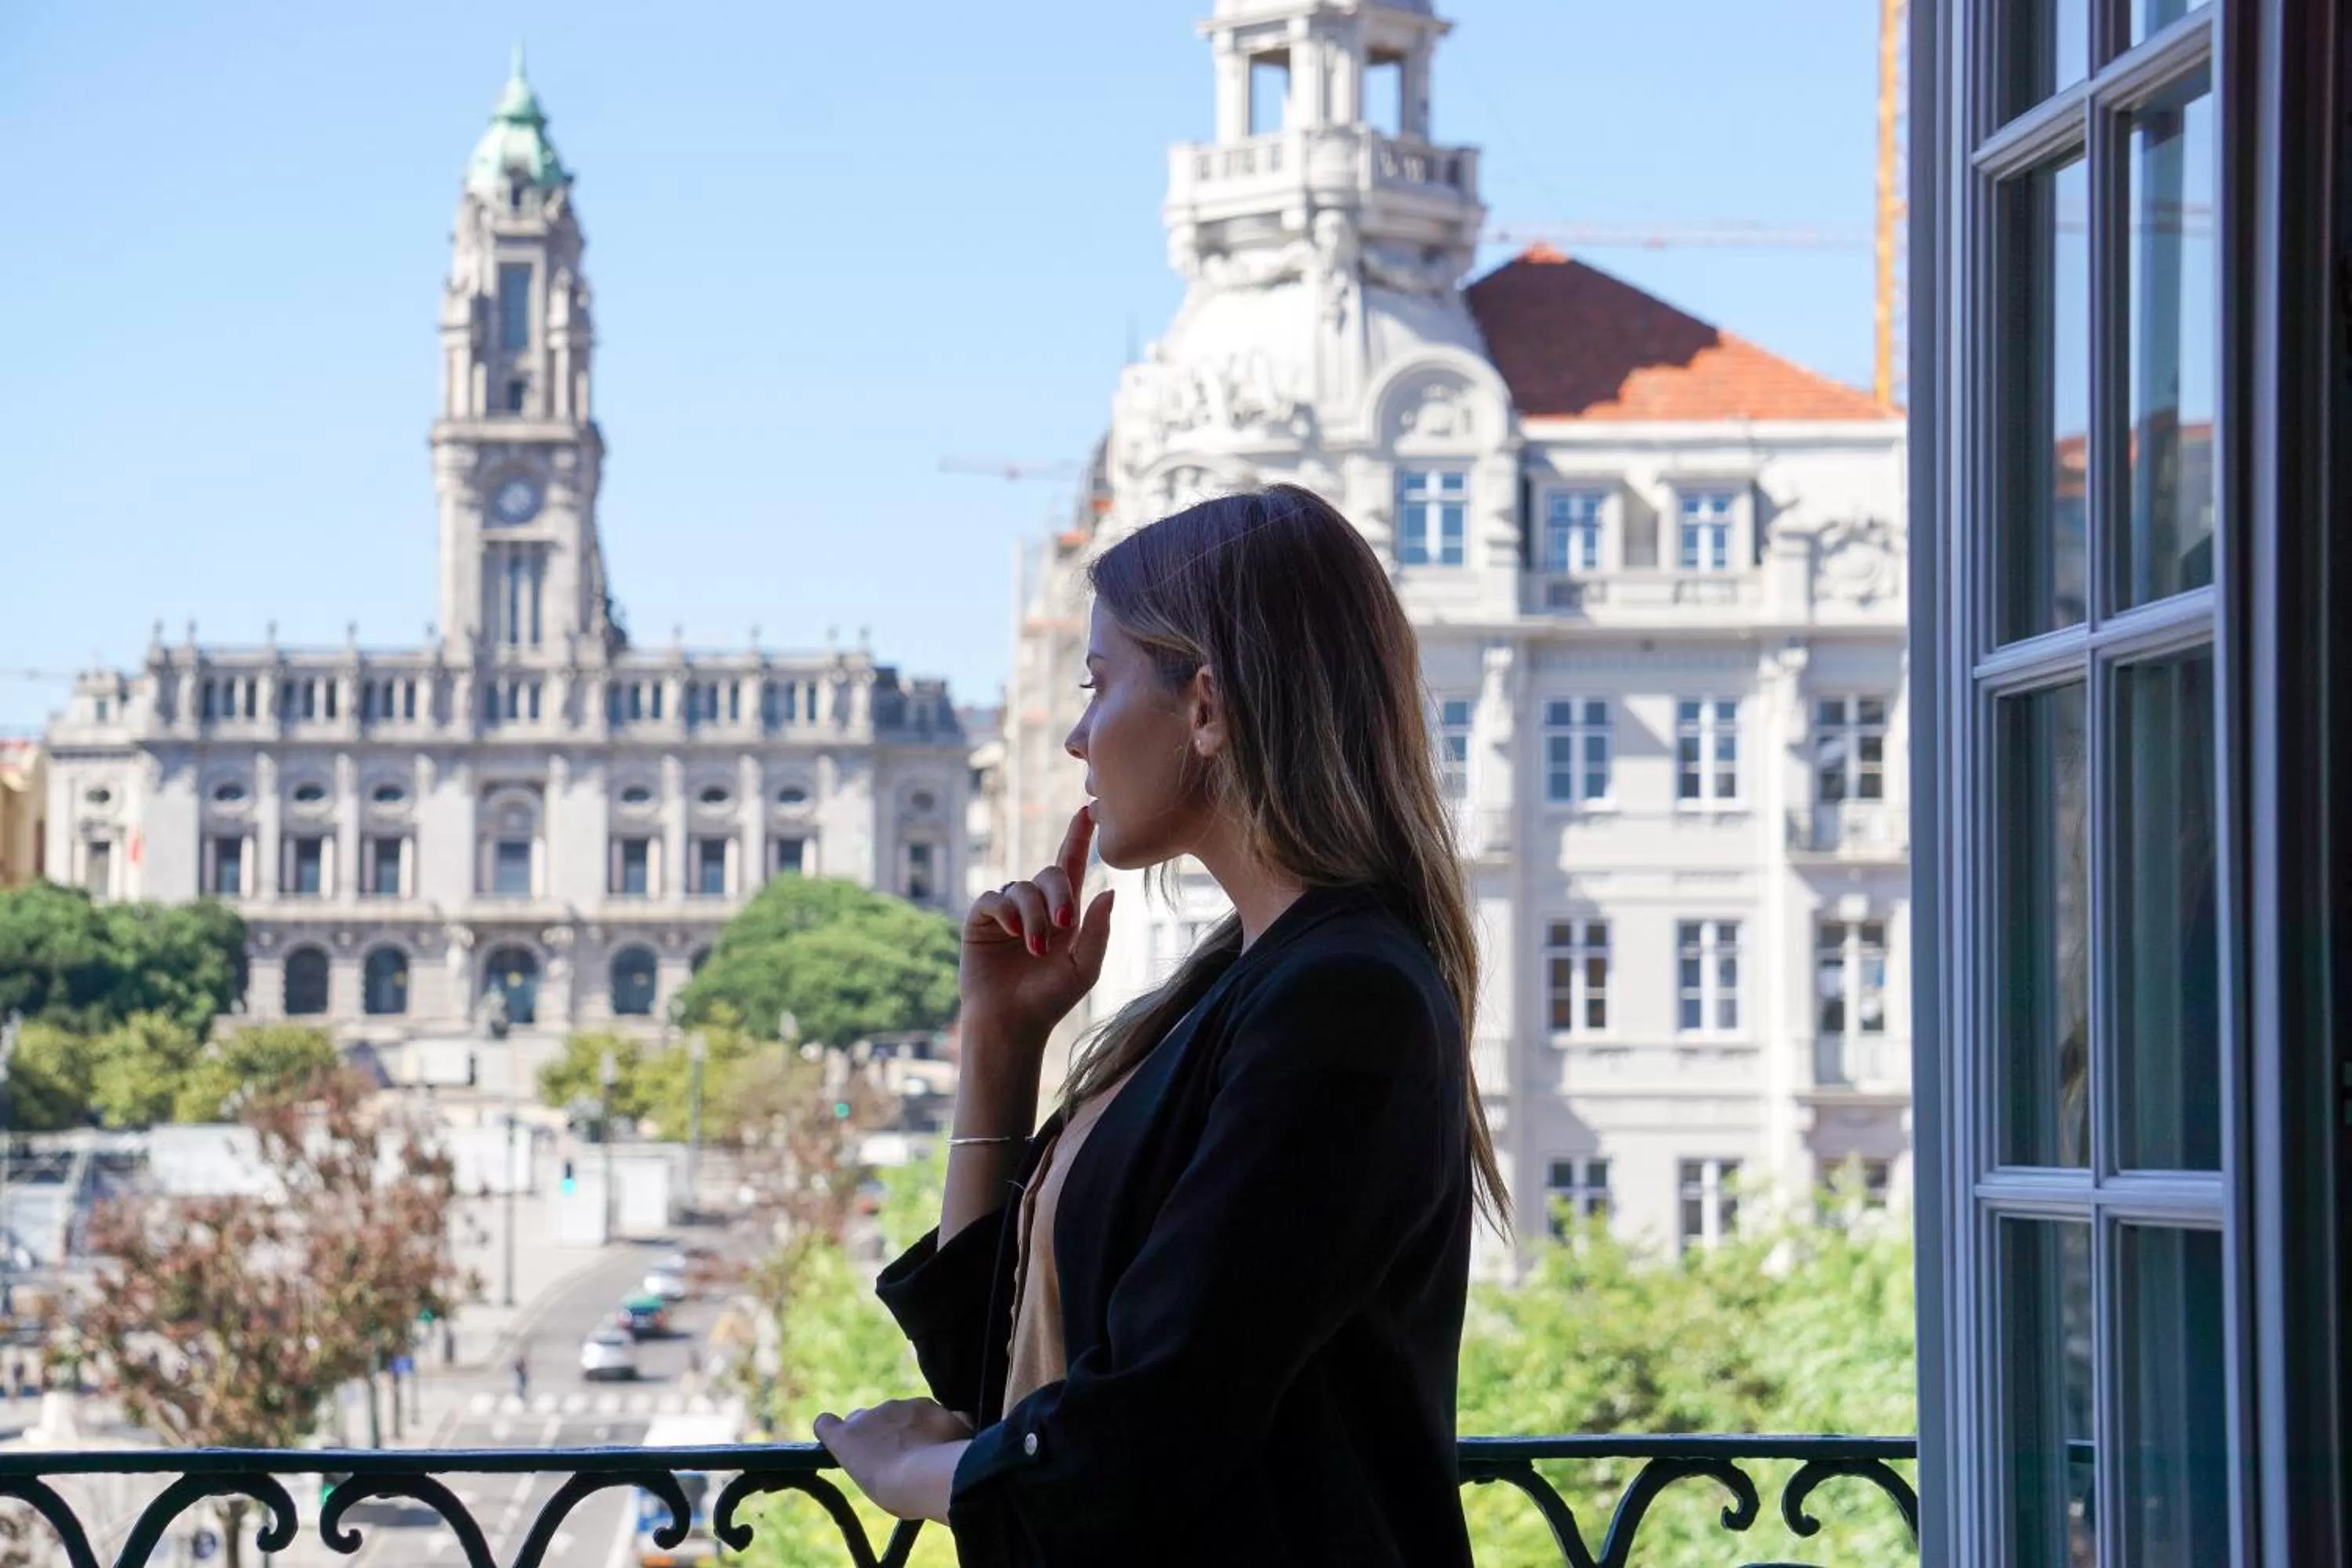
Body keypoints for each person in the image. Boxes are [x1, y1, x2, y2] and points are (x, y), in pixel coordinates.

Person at [815, 486, 1508, 1566]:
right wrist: (998, 1046)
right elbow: (1006, 1377)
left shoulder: (1342, 998)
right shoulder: (1238, 985)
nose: (1077, 738)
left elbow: (1142, 1431)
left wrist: (909, 1475)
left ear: (1208, 707)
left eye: (1098, 684)